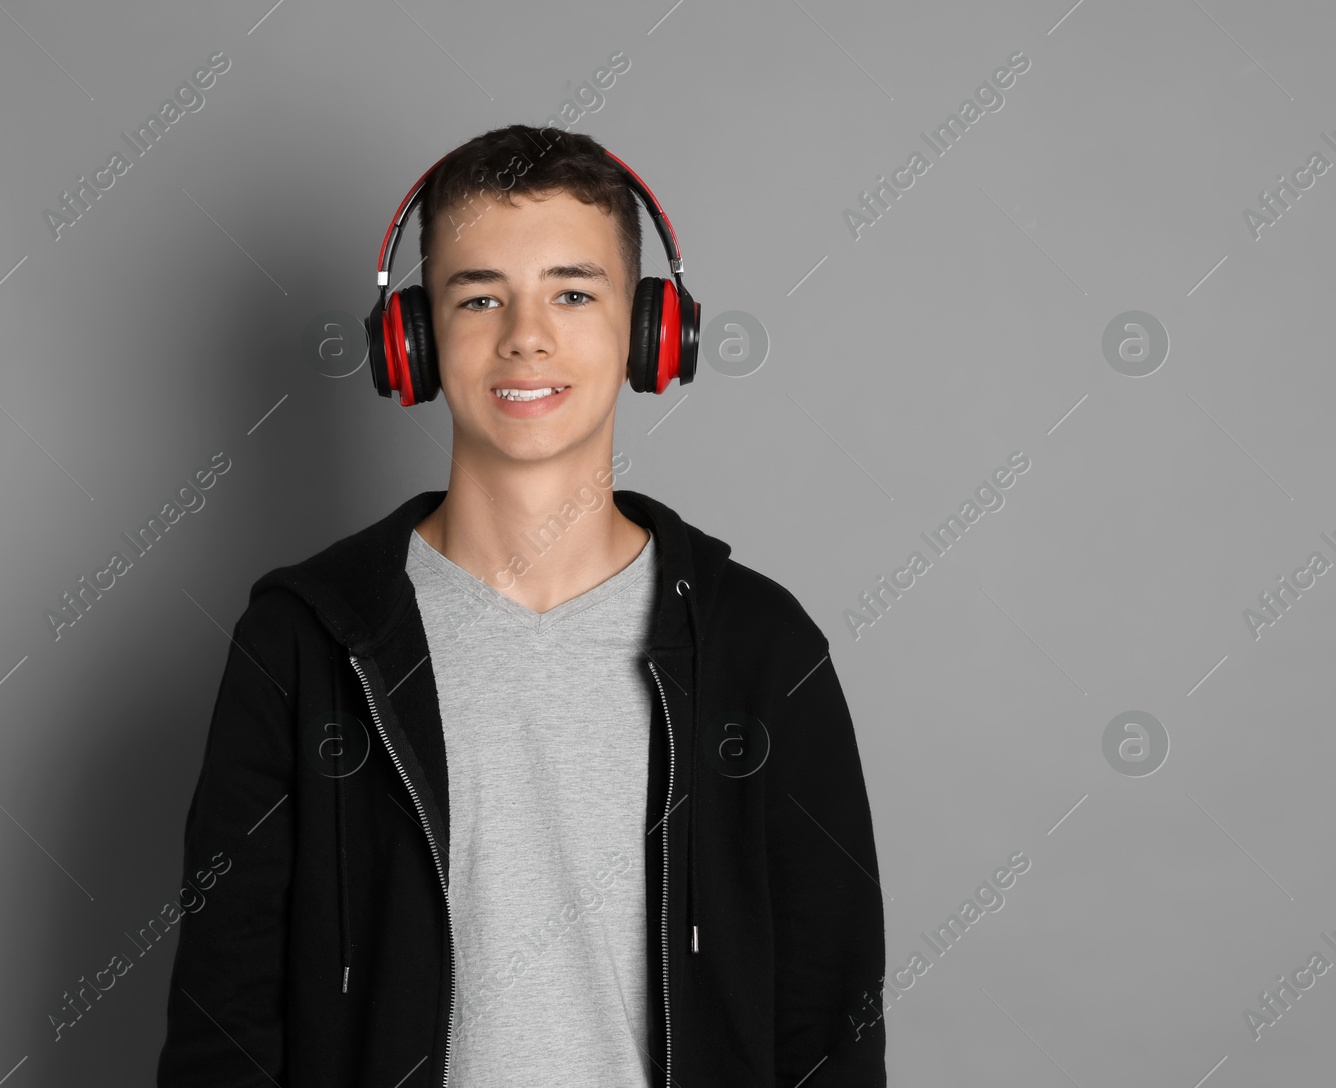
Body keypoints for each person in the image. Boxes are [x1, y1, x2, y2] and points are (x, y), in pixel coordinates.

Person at [155, 123, 885, 1087]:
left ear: (651, 330)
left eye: (573, 293)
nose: (525, 336)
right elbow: (225, 1030)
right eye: (480, 296)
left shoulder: (763, 649)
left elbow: (831, 1033)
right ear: (412, 340)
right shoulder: (301, 646)